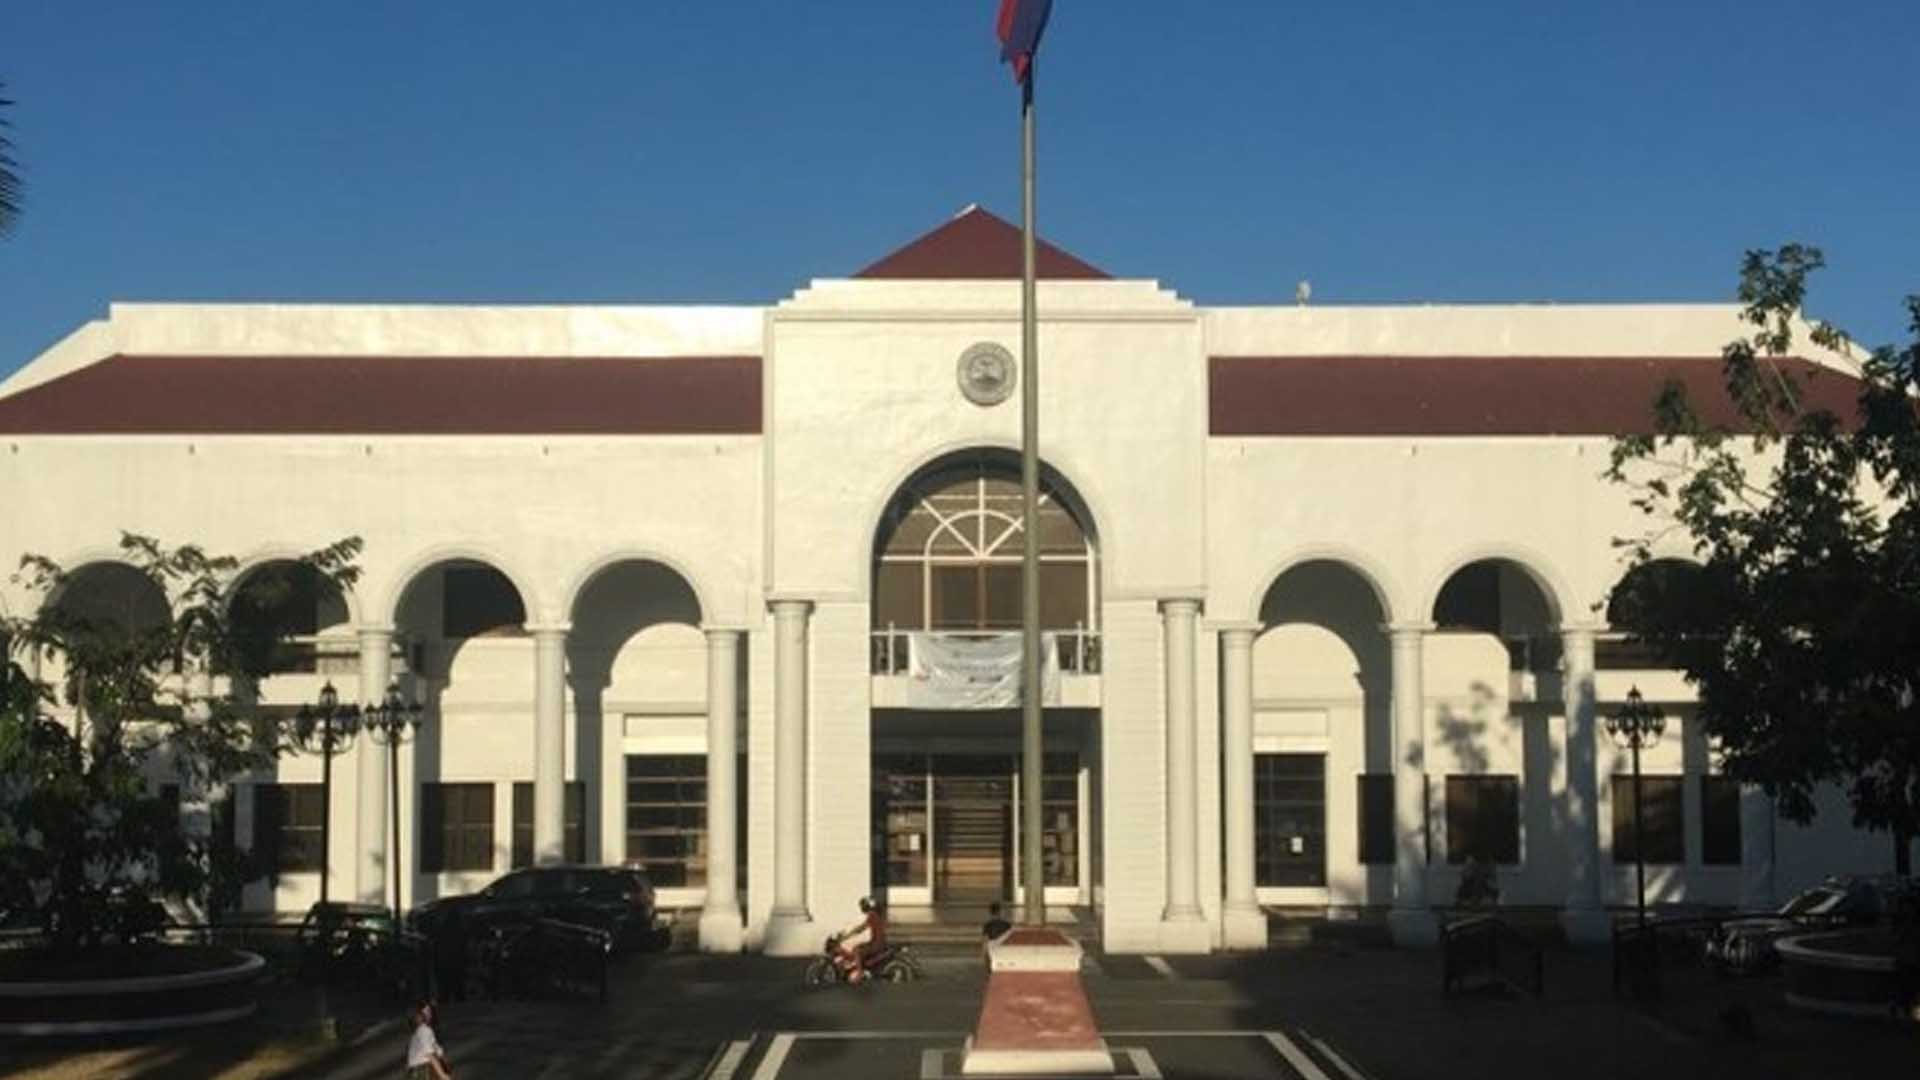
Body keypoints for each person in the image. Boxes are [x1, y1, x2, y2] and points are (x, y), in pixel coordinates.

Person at [833, 896, 888, 984]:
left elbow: (861, 928)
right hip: (877, 941)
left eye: (862, 905)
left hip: (876, 943)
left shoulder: (872, 915)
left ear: (866, 906)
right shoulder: (875, 915)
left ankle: (859, 973)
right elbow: (863, 928)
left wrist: (847, 935)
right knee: (858, 946)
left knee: (856, 950)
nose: (861, 908)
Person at [406, 1000, 453, 1080]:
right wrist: (443, 1075)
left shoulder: (418, 1032)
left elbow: (438, 1052)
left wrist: (446, 1066)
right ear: (418, 1015)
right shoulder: (424, 1030)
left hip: (419, 1071)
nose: (430, 1014)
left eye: (430, 1011)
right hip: (424, 1070)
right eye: (426, 1012)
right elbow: (430, 1055)